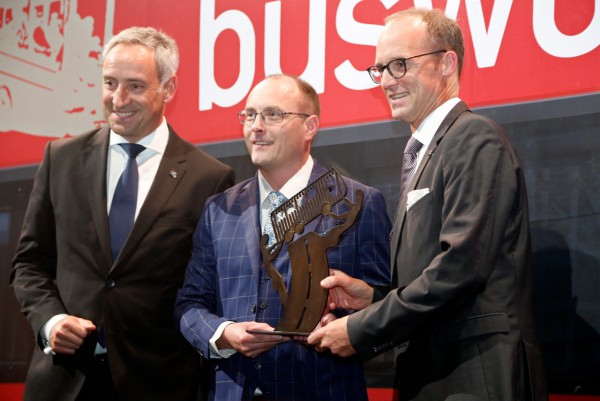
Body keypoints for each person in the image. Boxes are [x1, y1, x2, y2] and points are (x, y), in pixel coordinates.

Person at [307, 8, 548, 401]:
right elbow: (434, 277)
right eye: (380, 68)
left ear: (447, 63)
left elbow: (459, 270)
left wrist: (360, 327)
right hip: (436, 377)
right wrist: (373, 299)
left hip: (474, 379)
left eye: (399, 65)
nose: (386, 81)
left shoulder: (474, 138)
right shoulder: (426, 151)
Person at [10, 27, 234, 401]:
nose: (118, 98)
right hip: (62, 382)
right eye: (110, 83)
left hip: (158, 384)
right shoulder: (60, 159)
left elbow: (209, 289)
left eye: (134, 86)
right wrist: (51, 321)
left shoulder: (209, 177)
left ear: (169, 88)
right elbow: (30, 263)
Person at [175, 74, 391, 401]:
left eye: (273, 115)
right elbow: (190, 304)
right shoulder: (218, 210)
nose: (256, 127)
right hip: (233, 390)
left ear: (310, 126)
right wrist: (224, 334)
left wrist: (346, 326)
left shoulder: (358, 203)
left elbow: (388, 306)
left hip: (322, 389)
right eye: (249, 115)